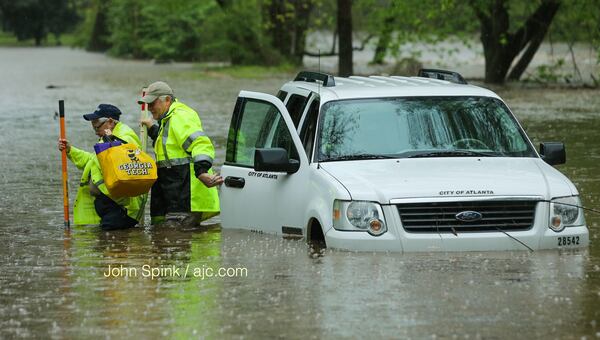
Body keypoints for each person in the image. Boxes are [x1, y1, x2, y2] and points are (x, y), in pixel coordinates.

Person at [139, 81, 222, 227]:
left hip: (184, 193)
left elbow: (200, 143)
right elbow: (171, 143)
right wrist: (152, 128)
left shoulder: (180, 116)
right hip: (171, 191)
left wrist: (202, 171)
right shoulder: (167, 118)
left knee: (175, 241)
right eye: (148, 104)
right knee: (165, 241)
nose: (150, 108)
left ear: (167, 100)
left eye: (153, 103)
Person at [57, 104, 145, 230]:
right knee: (105, 244)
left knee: (111, 244)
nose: (96, 132)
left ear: (109, 122)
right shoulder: (107, 138)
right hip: (111, 205)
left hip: (121, 208)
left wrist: (110, 139)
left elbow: (127, 166)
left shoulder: (124, 137)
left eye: (97, 127)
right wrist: (70, 150)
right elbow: (92, 162)